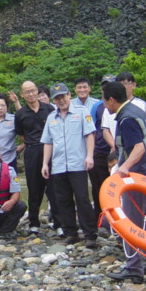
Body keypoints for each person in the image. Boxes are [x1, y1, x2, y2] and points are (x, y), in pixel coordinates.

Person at [102, 81, 146, 283]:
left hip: (138, 177)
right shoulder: (137, 111)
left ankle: (133, 268)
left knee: (131, 222)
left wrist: (125, 167)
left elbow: (139, 148)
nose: (104, 104)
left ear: (111, 100)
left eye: (104, 100)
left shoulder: (127, 118)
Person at [40, 83, 97, 247]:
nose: (61, 100)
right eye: (57, 98)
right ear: (53, 100)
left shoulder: (81, 112)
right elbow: (48, 142)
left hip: (78, 164)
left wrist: (90, 156)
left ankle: (90, 234)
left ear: (69, 95)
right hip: (58, 165)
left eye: (63, 96)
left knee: (82, 199)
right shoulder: (51, 117)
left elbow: (89, 135)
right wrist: (45, 163)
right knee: (63, 200)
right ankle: (70, 233)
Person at [14, 80, 59, 235]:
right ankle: (34, 222)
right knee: (33, 187)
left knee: (54, 187)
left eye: (33, 90)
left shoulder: (49, 109)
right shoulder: (20, 114)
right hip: (32, 150)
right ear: (22, 94)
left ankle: (58, 222)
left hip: (50, 149)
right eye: (27, 92)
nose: (31, 94)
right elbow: (21, 135)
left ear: (37, 91)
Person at [89, 75, 116, 227]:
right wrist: (90, 152)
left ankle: (115, 218)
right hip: (99, 151)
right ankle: (98, 219)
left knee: (114, 187)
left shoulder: (120, 104)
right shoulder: (97, 107)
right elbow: (91, 129)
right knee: (98, 187)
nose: (107, 88)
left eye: (110, 85)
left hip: (116, 153)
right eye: (104, 86)